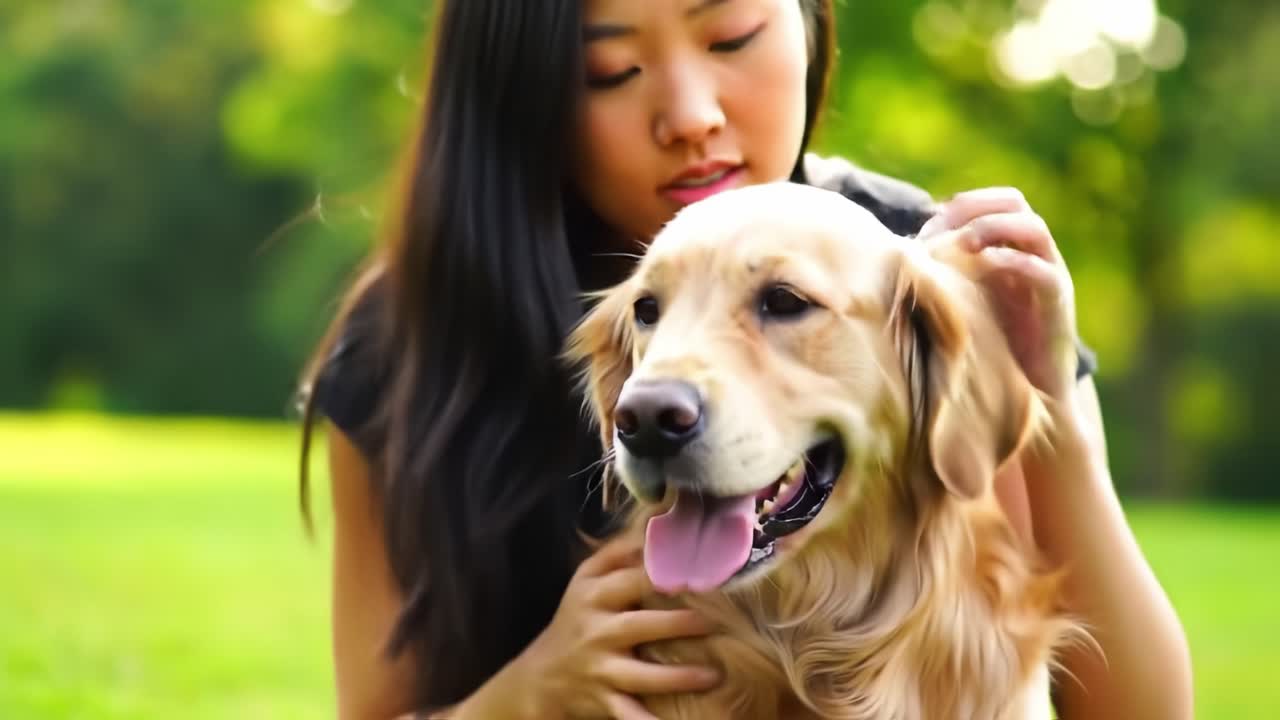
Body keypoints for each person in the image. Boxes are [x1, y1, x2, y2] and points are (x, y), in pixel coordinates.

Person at [296, 1, 1193, 718]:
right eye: (610, 70)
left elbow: (1143, 712)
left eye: (730, 35)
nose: (691, 116)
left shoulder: (923, 272)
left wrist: (1051, 406)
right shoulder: (407, 344)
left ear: (808, 23)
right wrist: (525, 697)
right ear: (523, 99)